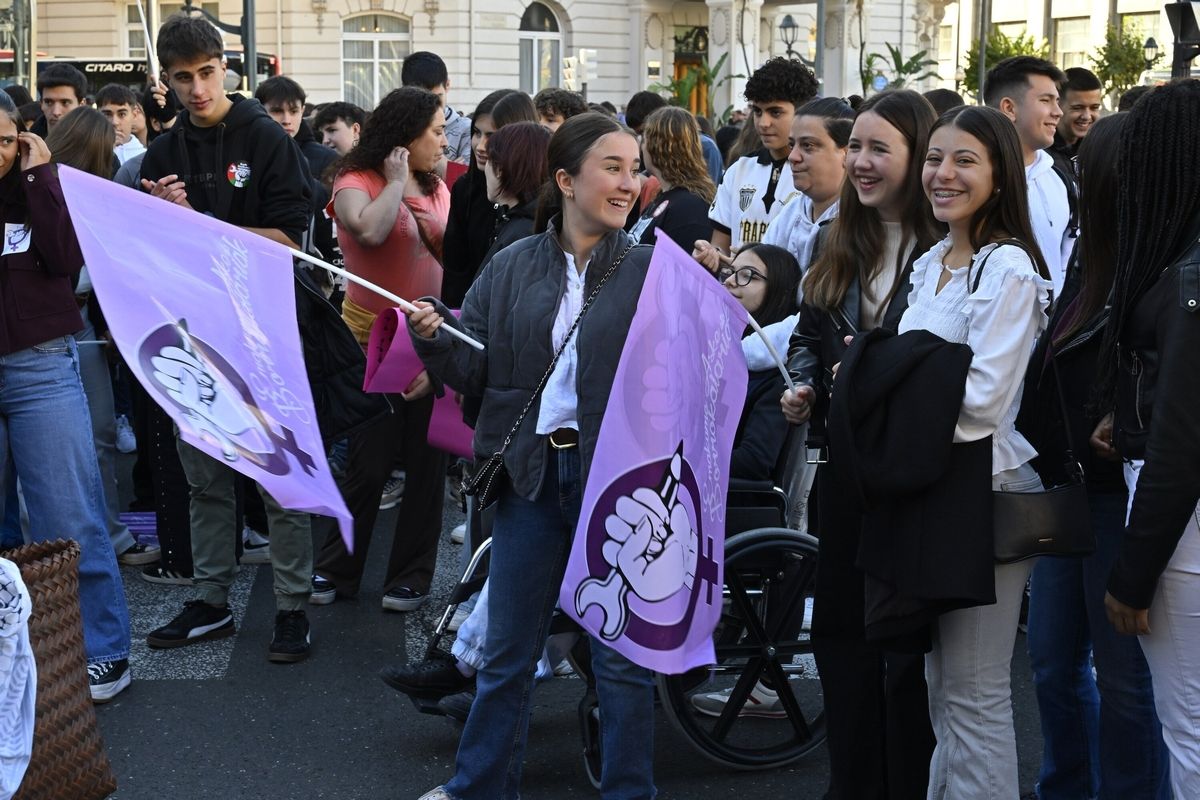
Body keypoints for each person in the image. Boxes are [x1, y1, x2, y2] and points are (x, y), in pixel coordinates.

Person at [406, 111, 656, 800]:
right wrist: (432, 334)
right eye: (613, 167)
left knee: (621, 660)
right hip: (530, 475)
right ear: (567, 180)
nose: (629, 183)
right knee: (508, 652)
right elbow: (473, 369)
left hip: (618, 482)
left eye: (635, 169)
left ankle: (631, 792)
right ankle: (480, 787)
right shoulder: (513, 264)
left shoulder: (651, 271)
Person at [777, 90, 942, 799]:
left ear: (919, 157)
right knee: (841, 638)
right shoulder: (836, 238)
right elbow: (810, 332)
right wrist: (805, 385)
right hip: (844, 467)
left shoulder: (948, 248)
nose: (861, 162)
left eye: (880, 148)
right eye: (856, 148)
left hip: (915, 478)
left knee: (905, 650)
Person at [139, 13, 317, 663]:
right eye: (182, 77)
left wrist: (197, 221)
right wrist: (157, 220)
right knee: (206, 476)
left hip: (265, 332)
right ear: (166, 79)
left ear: (225, 67)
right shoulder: (162, 154)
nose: (197, 89)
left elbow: (289, 240)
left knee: (277, 474)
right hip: (193, 336)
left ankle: (293, 608)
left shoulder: (264, 137)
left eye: (207, 73)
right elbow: (151, 252)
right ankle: (211, 599)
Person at [899, 103, 1053, 799]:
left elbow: (984, 402)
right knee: (945, 689)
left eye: (965, 160)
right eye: (935, 158)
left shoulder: (1008, 266)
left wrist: (885, 408)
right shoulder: (931, 260)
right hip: (933, 487)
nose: (943, 174)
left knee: (976, 692)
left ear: (999, 174)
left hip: (986, 492)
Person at [1020, 113, 1170, 800]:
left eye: (1087, 166)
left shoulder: (1156, 265)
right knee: (1052, 664)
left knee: (1124, 678)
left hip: (1116, 496)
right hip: (1064, 490)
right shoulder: (1089, 255)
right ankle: (1065, 787)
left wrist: (1121, 412)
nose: (1073, 175)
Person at [0, 90, 132, 702]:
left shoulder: (44, 185)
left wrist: (39, 175)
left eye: (6, 139)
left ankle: (104, 650)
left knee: (68, 513)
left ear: (25, 137)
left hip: (41, 367)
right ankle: (14, 655)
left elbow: (64, 257)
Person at [309, 86, 449, 613]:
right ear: (406, 136)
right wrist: (393, 181)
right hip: (372, 340)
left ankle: (411, 576)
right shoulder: (355, 179)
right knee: (366, 464)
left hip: (430, 337)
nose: (444, 141)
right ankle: (335, 567)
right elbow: (368, 231)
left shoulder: (438, 183)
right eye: (436, 132)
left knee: (426, 465)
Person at [1099, 78, 1200, 799]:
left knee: (1189, 725)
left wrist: (1133, 574)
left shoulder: (1188, 276)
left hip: (1183, 533)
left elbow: (1180, 445)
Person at [44, 106, 159, 572]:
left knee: (100, 432)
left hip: (83, 321)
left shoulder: (97, 194)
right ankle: (63, 546)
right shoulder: (41, 191)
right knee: (75, 440)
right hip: (50, 329)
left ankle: (105, 536)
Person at [699, 56, 818, 268]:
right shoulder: (739, 170)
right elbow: (720, 246)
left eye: (775, 112)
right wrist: (710, 255)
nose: (763, 123)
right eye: (757, 111)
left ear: (802, 112)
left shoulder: (817, 175)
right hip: (737, 287)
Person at [984, 56, 1074, 293]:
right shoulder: (974, 181)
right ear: (1009, 108)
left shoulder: (1061, 181)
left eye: (1057, 101)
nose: (1058, 112)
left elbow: (1066, 261)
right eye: (1046, 100)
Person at [440, 89, 516, 309]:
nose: (480, 146)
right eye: (476, 133)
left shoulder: (538, 198)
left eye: (492, 136)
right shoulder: (464, 189)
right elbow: (455, 270)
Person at [628, 106, 714, 249]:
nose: (641, 147)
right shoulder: (667, 196)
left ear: (656, 145)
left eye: (644, 139)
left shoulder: (689, 207)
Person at [479, 121, 550, 270]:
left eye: (489, 160)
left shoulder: (523, 235)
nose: (486, 169)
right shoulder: (535, 221)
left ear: (499, 169)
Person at [401, 51, 470, 164]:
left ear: (447, 85)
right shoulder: (398, 126)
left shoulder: (466, 129)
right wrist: (450, 167)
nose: (431, 109)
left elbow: (466, 174)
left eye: (436, 99)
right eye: (421, 101)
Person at [1049, 67, 1102, 177]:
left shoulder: (1099, 149)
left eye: (1094, 108)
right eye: (1077, 108)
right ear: (1058, 105)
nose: (1087, 116)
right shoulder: (1040, 153)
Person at [95, 83, 145, 165]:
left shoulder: (145, 156)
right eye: (107, 114)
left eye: (122, 114)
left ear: (134, 114)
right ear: (97, 114)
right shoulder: (85, 153)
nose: (114, 122)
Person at [32, 63, 86, 135]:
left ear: (81, 105)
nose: (56, 112)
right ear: (41, 104)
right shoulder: (25, 140)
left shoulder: (97, 139)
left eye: (65, 103)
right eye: (48, 102)